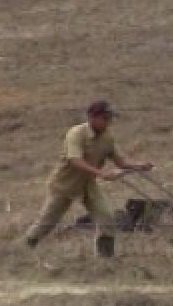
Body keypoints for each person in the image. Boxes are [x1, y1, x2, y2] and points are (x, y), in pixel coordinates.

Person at [24, 100, 153, 257]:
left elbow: (121, 161)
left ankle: (105, 258)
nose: (109, 122)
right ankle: (26, 249)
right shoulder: (76, 133)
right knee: (47, 222)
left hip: (88, 185)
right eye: (105, 118)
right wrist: (101, 173)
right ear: (92, 117)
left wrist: (140, 165)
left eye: (110, 118)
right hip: (64, 185)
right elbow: (75, 160)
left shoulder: (107, 137)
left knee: (106, 216)